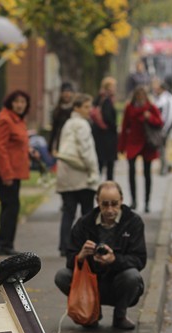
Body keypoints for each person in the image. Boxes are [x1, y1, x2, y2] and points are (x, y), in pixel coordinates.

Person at [54, 181, 146, 331]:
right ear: (97, 202)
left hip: (119, 281)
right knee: (62, 276)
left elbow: (140, 259)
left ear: (122, 200)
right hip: (92, 281)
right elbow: (70, 261)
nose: (110, 210)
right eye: (105, 204)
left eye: (114, 204)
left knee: (132, 276)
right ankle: (92, 314)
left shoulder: (133, 222)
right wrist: (81, 256)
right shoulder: (84, 223)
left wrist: (114, 259)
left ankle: (120, 316)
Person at [55, 93, 100, 257]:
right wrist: (93, 170)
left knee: (68, 212)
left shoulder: (68, 123)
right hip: (82, 175)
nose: (90, 110)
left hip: (66, 174)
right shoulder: (82, 125)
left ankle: (64, 245)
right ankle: (86, 244)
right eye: (86, 107)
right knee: (87, 213)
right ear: (77, 108)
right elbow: (86, 150)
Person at [0, 90, 31, 256]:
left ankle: (3, 243)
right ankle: (4, 245)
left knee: (11, 207)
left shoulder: (17, 119)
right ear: (11, 103)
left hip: (15, 171)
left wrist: (30, 151)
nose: (20, 105)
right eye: (17, 102)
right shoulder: (5, 119)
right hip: (7, 172)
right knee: (10, 207)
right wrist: (6, 174)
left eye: (23, 102)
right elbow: (0, 147)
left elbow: (17, 143)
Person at [117, 86, 163, 213]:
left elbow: (159, 122)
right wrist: (121, 147)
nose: (140, 98)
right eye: (138, 96)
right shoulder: (129, 108)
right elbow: (124, 127)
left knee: (147, 174)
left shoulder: (150, 108)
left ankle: (147, 202)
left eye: (142, 96)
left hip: (147, 144)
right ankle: (134, 200)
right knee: (131, 172)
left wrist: (150, 117)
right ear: (135, 96)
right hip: (133, 143)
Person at [91, 77, 118, 180]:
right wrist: (115, 126)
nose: (115, 89)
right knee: (108, 166)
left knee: (100, 165)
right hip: (107, 137)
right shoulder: (107, 100)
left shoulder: (99, 98)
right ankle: (109, 190)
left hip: (99, 135)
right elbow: (108, 117)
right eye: (113, 86)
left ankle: (98, 188)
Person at [152, 79, 172, 176]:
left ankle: (164, 167)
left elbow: (168, 116)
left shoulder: (166, 99)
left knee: (161, 148)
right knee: (161, 148)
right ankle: (165, 165)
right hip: (162, 127)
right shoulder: (161, 98)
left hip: (164, 127)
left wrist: (164, 129)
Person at [48, 82, 75, 154]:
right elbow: (54, 129)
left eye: (69, 92)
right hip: (61, 141)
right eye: (64, 92)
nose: (67, 94)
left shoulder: (75, 109)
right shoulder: (57, 110)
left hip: (73, 142)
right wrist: (50, 147)